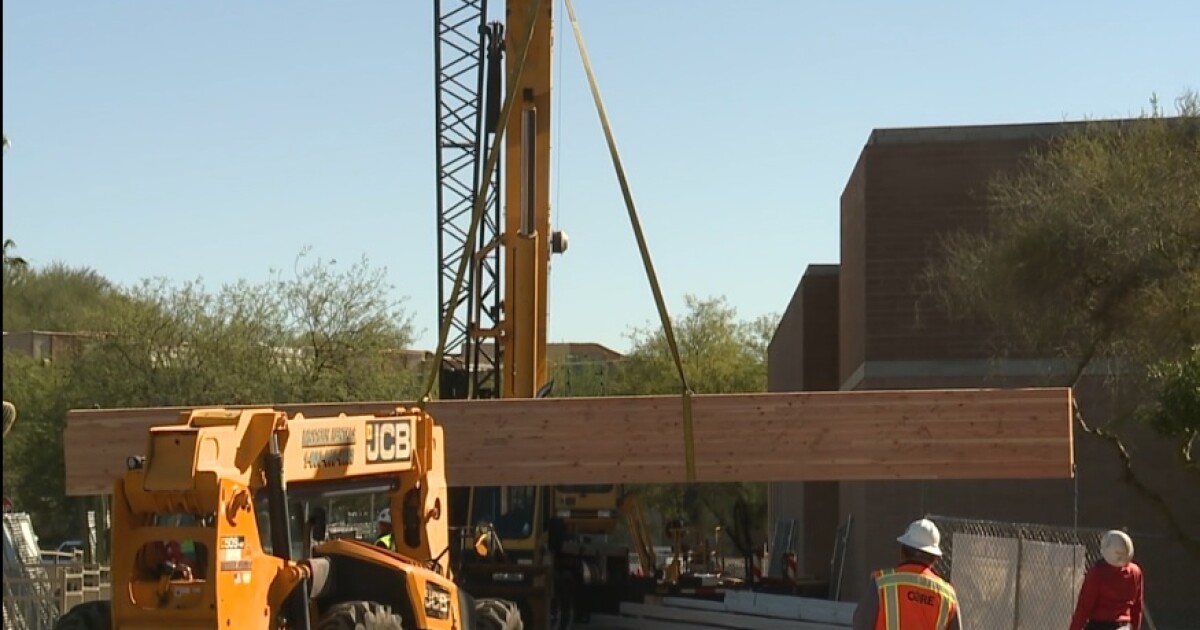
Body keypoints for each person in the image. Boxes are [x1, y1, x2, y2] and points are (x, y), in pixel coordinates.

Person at [852, 518, 962, 630]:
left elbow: (860, 625)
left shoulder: (881, 585)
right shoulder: (948, 596)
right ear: (935, 559)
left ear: (902, 552)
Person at [1069, 529, 1144, 630]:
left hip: (1100, 625)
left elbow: (1084, 608)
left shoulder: (1097, 573)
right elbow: (1137, 607)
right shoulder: (1135, 572)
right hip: (1125, 626)